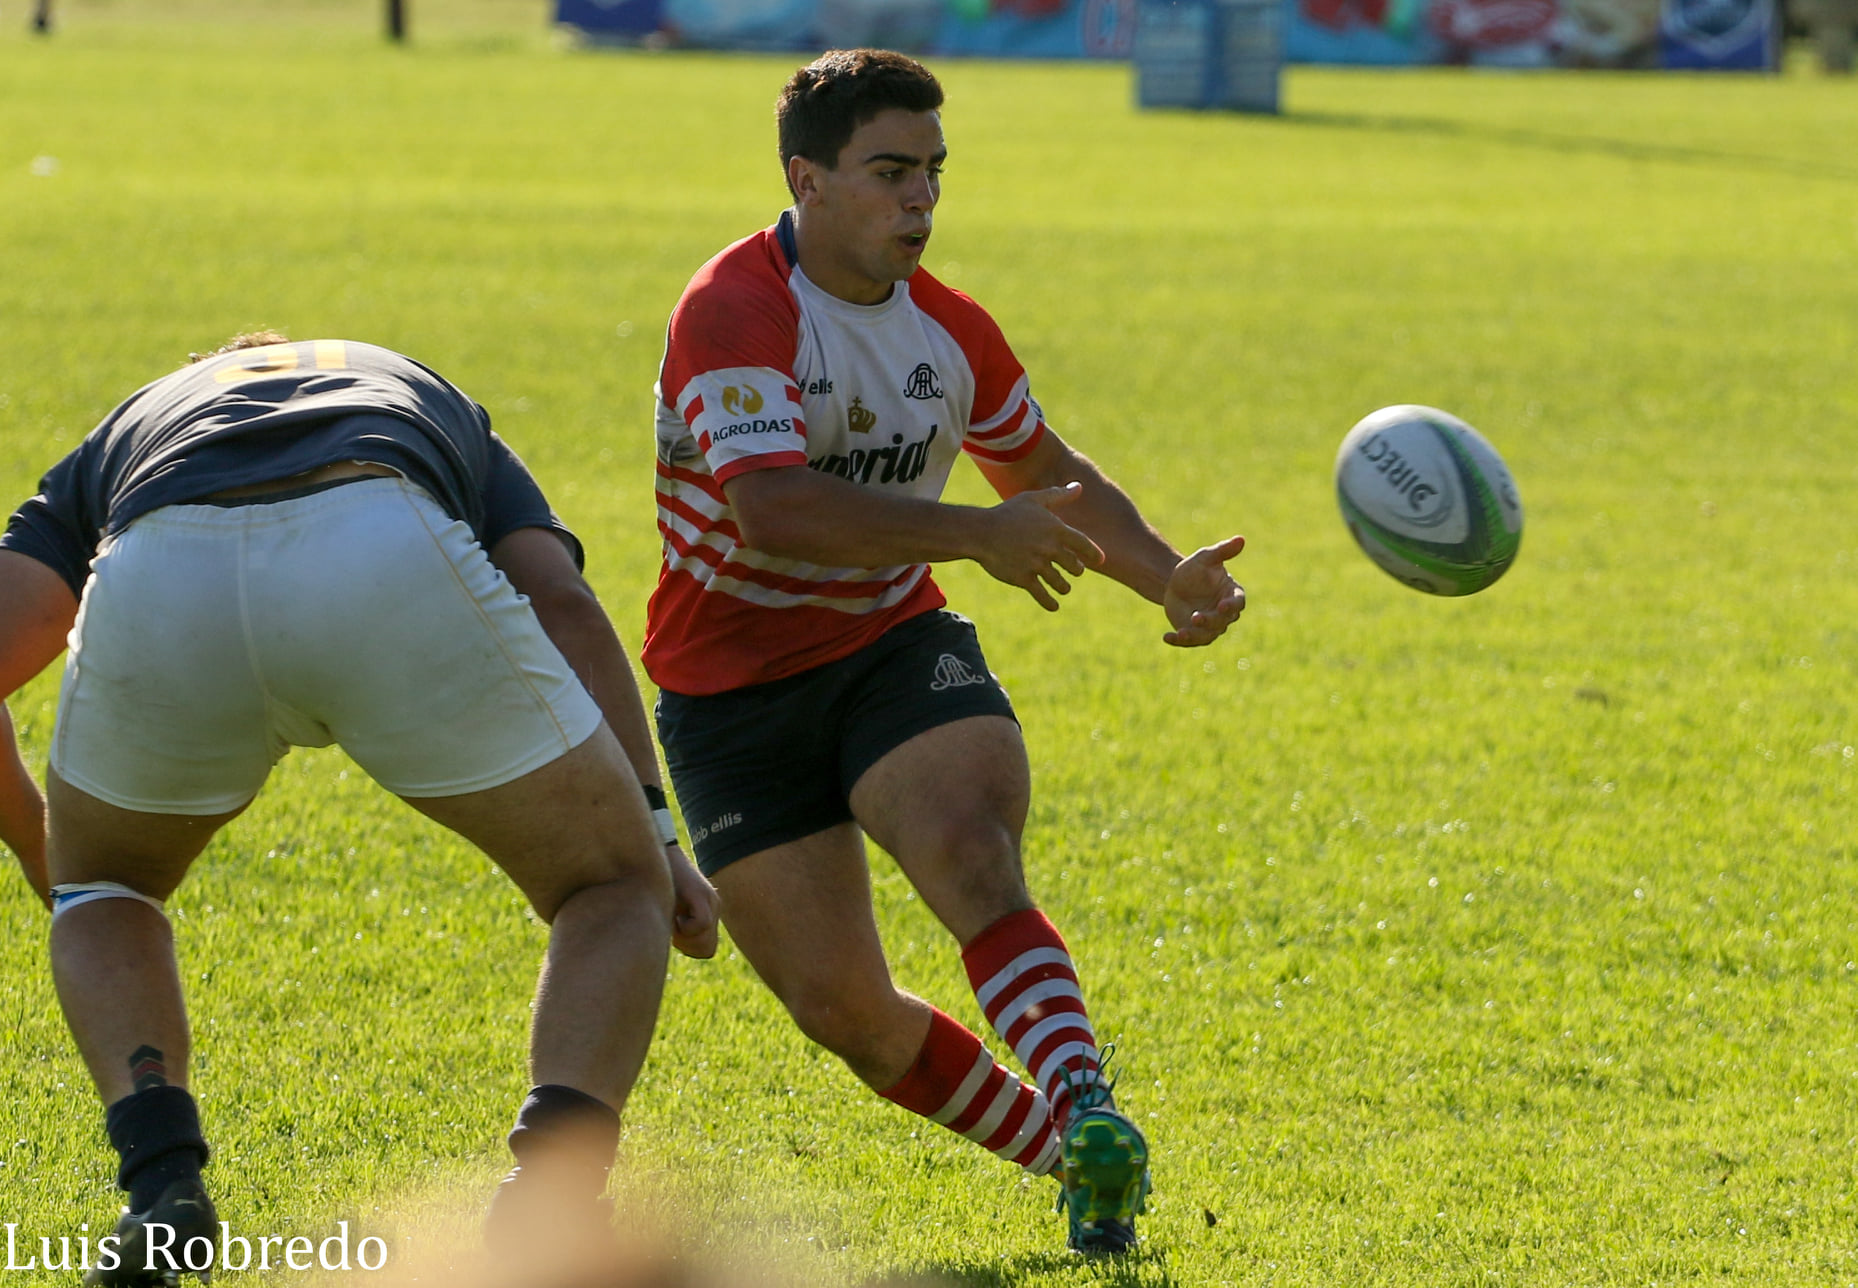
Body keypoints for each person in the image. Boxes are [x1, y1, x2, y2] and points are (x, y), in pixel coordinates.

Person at [642, 50, 1245, 1255]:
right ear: (807, 181)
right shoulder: (734, 308)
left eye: (931, 173)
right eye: (888, 172)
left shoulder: (950, 330)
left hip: (889, 643)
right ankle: (1071, 1155)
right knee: (846, 1012)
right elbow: (775, 509)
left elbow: (1049, 478)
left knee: (971, 846)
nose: (919, 199)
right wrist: (977, 533)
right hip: (727, 692)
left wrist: (1162, 573)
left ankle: (1086, 1095)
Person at [0, 333, 719, 1286]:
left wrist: (52, 863)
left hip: (160, 562)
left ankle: (160, 1180)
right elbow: (562, 600)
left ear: (207, 370)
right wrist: (657, 834)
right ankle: (551, 1194)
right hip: (379, 540)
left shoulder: (134, 422)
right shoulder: (410, 383)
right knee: (611, 882)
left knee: (110, 893)